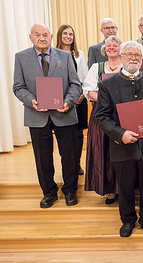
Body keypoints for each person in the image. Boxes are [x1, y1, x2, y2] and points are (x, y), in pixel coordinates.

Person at [95, 40, 143, 238]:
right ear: (122, 57)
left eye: (137, 55)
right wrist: (120, 134)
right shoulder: (107, 84)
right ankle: (127, 220)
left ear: (142, 59)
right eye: (129, 54)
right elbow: (101, 117)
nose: (133, 58)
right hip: (122, 147)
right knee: (124, 187)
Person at [13, 23, 81, 208]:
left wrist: (68, 101)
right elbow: (18, 87)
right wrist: (31, 101)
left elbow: (76, 84)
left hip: (64, 114)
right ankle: (49, 192)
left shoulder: (66, 56)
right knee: (42, 157)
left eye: (45, 35)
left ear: (51, 36)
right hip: (37, 115)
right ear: (30, 37)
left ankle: (70, 190)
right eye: (37, 35)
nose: (41, 38)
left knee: (69, 155)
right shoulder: (21, 57)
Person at [83, 35, 123, 204]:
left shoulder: (126, 66)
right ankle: (110, 190)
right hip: (102, 114)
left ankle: (124, 187)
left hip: (124, 114)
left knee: (123, 152)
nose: (111, 47)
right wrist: (108, 99)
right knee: (104, 151)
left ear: (121, 48)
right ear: (104, 49)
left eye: (115, 45)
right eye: (108, 45)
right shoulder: (96, 67)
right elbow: (89, 91)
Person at [56, 24, 89, 176]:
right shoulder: (53, 53)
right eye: (65, 33)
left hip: (79, 100)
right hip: (60, 100)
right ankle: (68, 164)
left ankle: (77, 163)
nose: (68, 36)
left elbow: (84, 77)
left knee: (78, 133)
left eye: (71, 34)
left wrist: (80, 96)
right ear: (59, 36)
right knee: (65, 134)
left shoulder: (79, 54)